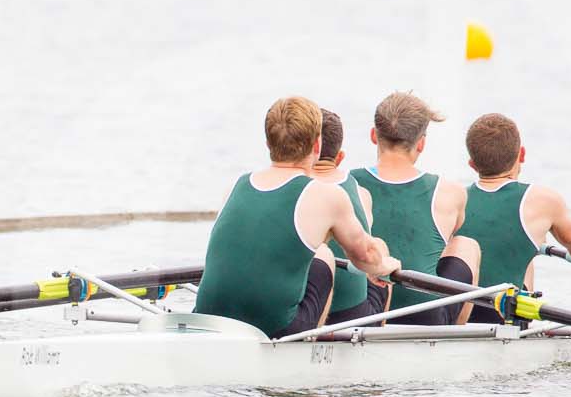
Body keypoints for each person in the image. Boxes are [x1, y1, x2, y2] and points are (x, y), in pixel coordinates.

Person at [193, 97, 399, 338]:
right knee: (323, 254)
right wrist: (387, 265)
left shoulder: (237, 185)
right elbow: (366, 257)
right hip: (275, 328)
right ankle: (308, 350)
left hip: (206, 318)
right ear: (317, 146)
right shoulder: (326, 195)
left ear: (268, 143)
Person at [460, 113, 571, 324]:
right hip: (503, 319)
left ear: (472, 164)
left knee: (526, 243)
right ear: (521, 154)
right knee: (528, 247)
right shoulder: (542, 200)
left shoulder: (453, 198)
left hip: (454, 316)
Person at [347, 91, 481, 325]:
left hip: (365, 307)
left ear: (373, 135)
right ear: (421, 143)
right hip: (424, 315)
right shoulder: (450, 192)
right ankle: (455, 338)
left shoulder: (347, 183)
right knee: (465, 245)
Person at [308, 108, 385, 326]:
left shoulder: (292, 189)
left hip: (300, 306)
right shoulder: (361, 194)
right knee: (379, 247)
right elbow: (367, 253)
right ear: (340, 157)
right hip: (350, 315)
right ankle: (379, 330)